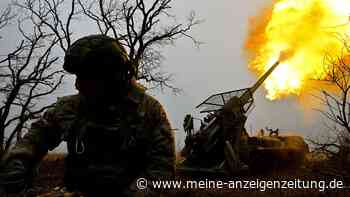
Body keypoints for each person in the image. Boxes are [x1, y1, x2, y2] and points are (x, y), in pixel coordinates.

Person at [0, 35, 176, 196]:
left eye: (87, 78)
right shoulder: (71, 107)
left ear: (113, 77)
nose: (77, 85)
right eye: (78, 77)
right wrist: (15, 169)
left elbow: (160, 176)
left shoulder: (149, 111)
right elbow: (32, 141)